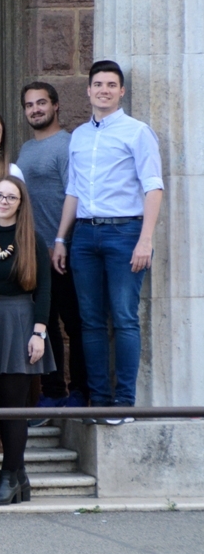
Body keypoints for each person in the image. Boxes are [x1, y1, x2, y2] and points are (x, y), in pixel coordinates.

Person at [52, 60, 164, 418]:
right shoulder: (79, 136)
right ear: (88, 90)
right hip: (85, 234)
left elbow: (153, 186)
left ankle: (124, 403)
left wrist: (145, 240)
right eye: (98, 84)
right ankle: (99, 402)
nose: (104, 90)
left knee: (125, 317)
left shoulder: (137, 132)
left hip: (125, 232)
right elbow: (73, 190)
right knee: (91, 321)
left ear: (121, 91)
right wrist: (61, 239)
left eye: (111, 85)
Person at [0, 177, 55, 504]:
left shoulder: (32, 239)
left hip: (21, 322)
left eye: (12, 197)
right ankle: (20, 476)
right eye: (0, 195)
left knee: (12, 407)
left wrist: (39, 333)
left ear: (21, 203)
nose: (4, 201)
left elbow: (45, 289)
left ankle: (9, 477)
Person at [17, 82, 86, 407]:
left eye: (41, 103)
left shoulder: (67, 145)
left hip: (63, 250)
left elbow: (75, 194)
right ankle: (54, 391)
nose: (35, 109)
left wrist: (60, 240)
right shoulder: (26, 149)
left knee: (74, 322)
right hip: (34, 253)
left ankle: (80, 392)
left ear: (56, 105)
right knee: (46, 324)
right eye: (29, 105)